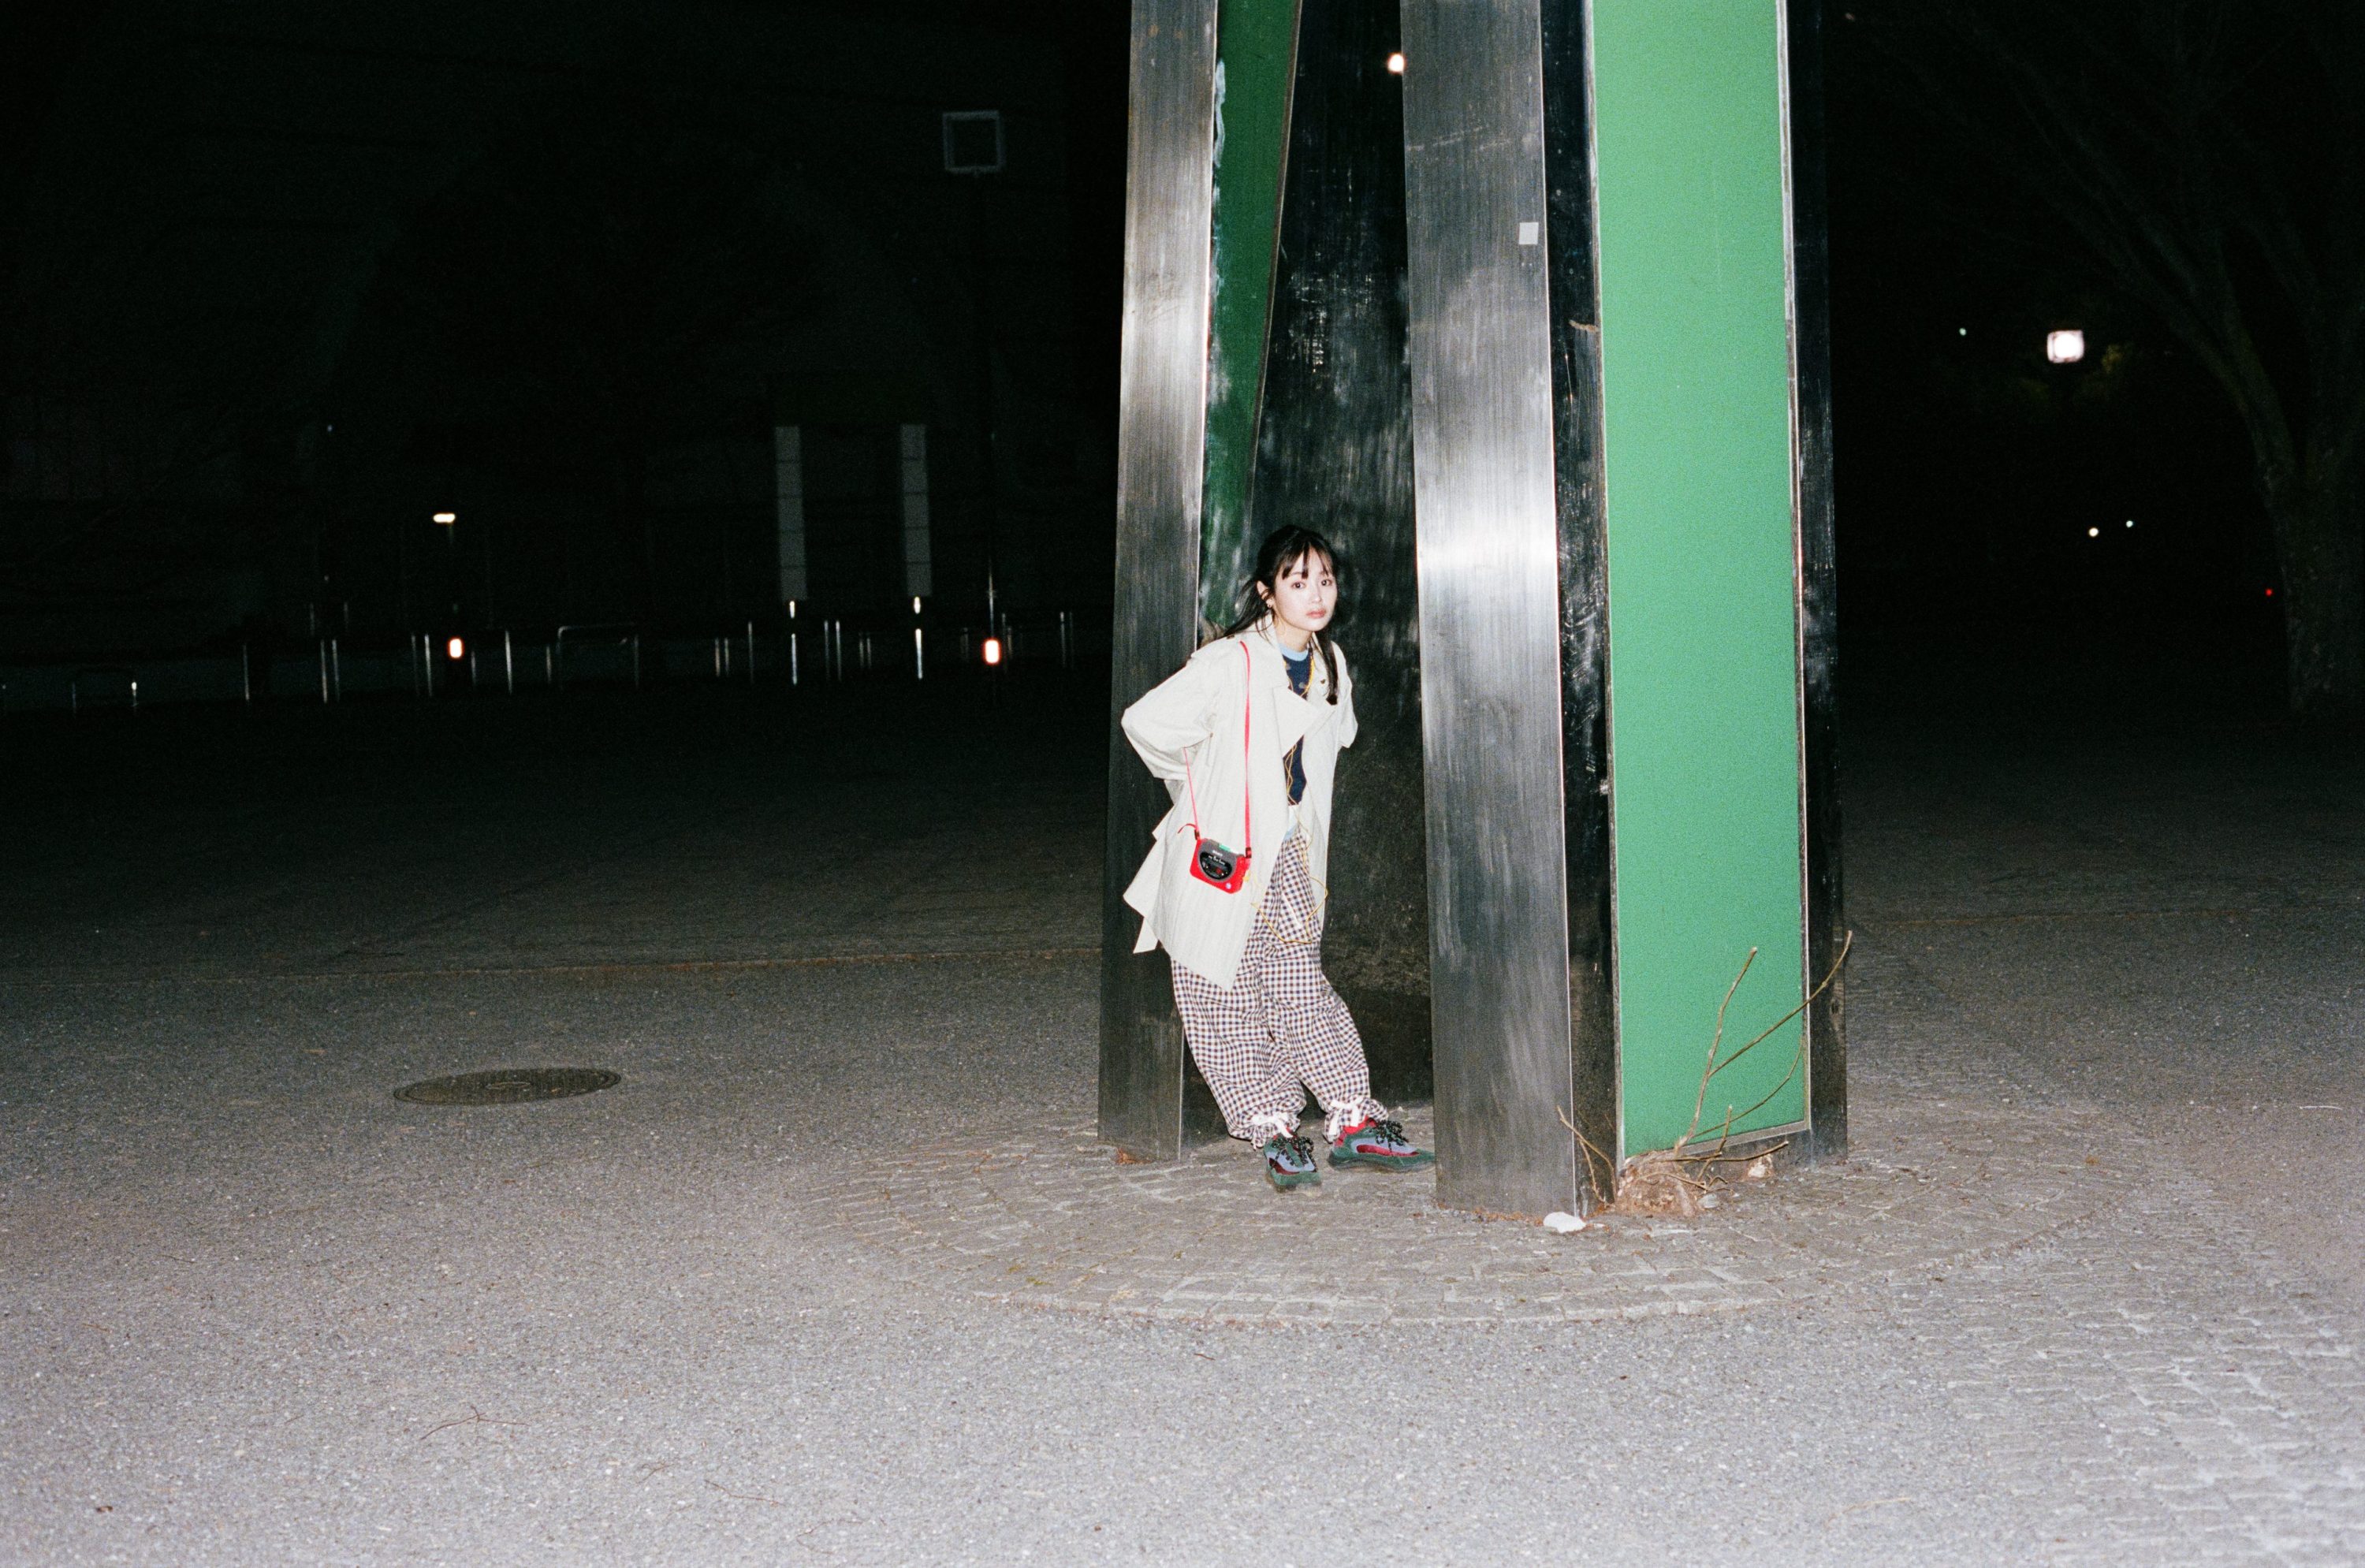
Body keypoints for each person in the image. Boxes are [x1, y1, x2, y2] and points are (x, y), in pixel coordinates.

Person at [1119, 526, 1434, 1191]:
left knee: (1299, 985)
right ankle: (1272, 1125)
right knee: (1219, 988)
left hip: (1288, 848)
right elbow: (1146, 724)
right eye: (1298, 580)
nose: (1316, 594)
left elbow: (1336, 737)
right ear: (1267, 591)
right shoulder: (1228, 661)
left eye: (1325, 579)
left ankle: (1351, 1115)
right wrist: (1201, 792)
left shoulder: (1329, 663)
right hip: (1222, 854)